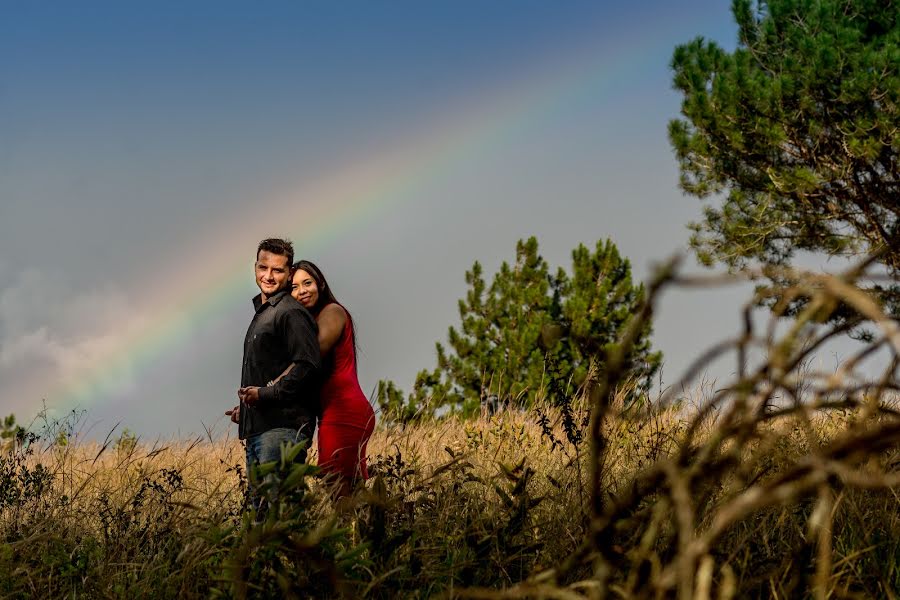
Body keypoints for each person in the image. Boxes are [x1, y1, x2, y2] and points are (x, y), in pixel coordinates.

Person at [225, 238, 321, 502]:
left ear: (289, 273)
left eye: (277, 270)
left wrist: (265, 395)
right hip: (259, 430)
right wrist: (246, 407)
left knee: (279, 517)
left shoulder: (290, 313)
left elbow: (308, 365)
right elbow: (273, 371)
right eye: (262, 267)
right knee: (262, 520)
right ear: (255, 267)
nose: (268, 276)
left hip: (281, 433)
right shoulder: (264, 313)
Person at [290, 260, 376, 497]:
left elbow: (310, 357)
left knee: (335, 490)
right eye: (294, 288)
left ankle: (354, 533)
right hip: (337, 414)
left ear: (321, 283)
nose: (302, 291)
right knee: (350, 493)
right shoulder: (311, 322)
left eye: (307, 283)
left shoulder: (333, 312)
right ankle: (374, 528)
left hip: (343, 413)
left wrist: (266, 390)